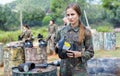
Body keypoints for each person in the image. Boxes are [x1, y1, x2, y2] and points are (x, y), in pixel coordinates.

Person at [55, 3, 94, 76]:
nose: (70, 17)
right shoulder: (61, 31)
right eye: (68, 15)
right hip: (65, 70)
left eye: (72, 14)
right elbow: (56, 47)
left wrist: (79, 54)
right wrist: (57, 47)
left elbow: (91, 52)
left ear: (78, 15)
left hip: (79, 71)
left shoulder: (86, 31)